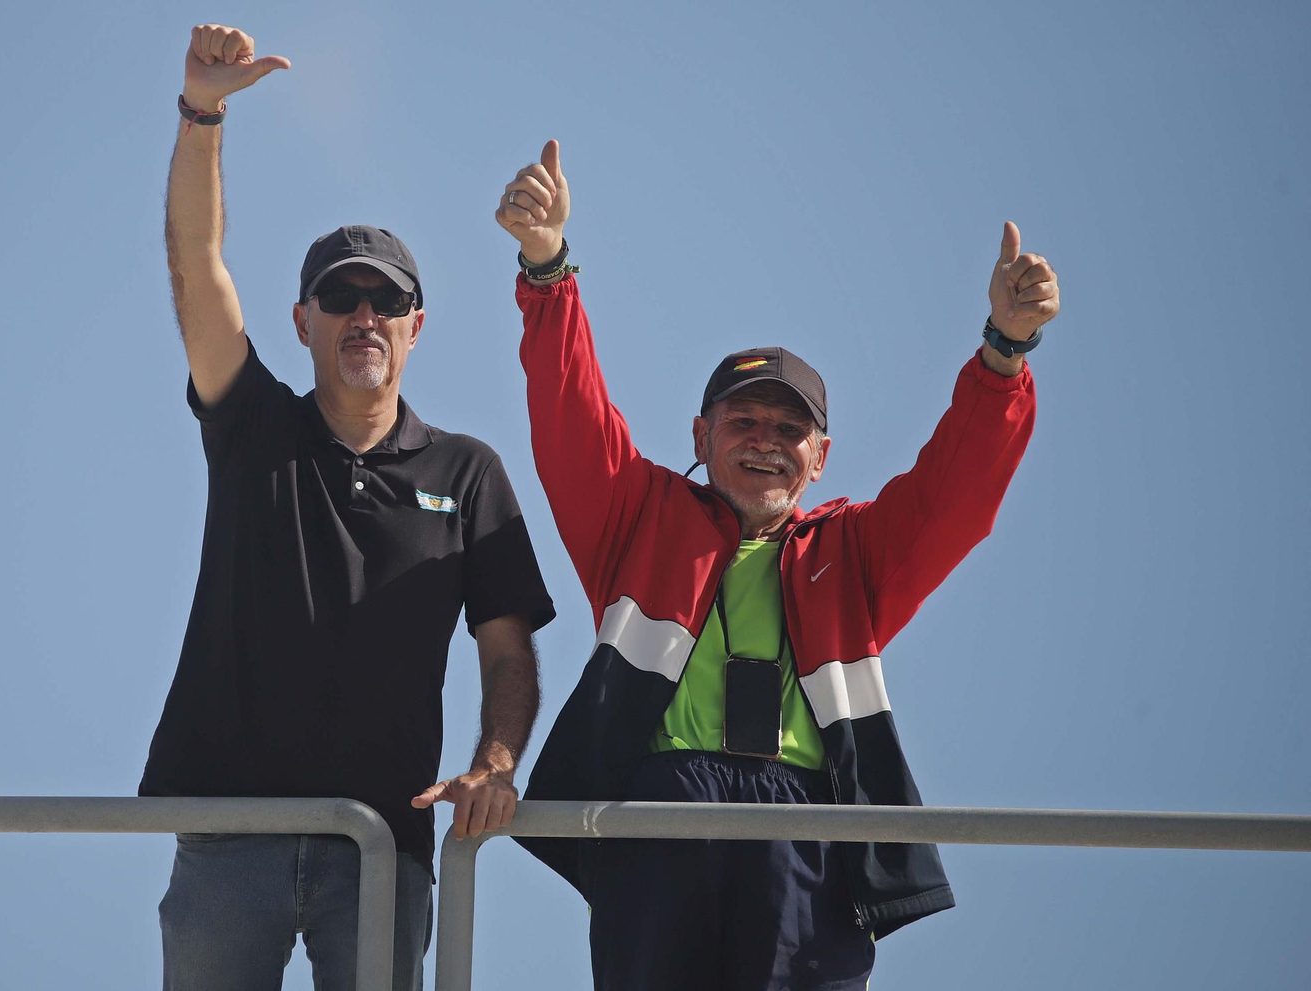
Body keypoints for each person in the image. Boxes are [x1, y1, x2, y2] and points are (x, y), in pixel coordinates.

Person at [495, 140, 1058, 990]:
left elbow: (956, 494)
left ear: (820, 457)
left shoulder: (854, 552)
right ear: (701, 436)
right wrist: (547, 270)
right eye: (743, 422)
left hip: (803, 825)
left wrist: (1003, 353)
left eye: (789, 430)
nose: (765, 441)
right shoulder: (640, 517)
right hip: (657, 815)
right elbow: (570, 415)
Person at [141, 25, 556, 991]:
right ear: (302, 322)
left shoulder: (469, 471)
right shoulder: (254, 427)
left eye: (386, 300)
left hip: (379, 846)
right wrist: (202, 113)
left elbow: (508, 653)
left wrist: (495, 762)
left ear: (416, 326)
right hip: (227, 833)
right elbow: (197, 262)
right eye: (341, 297)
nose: (364, 314)